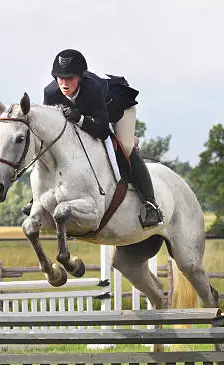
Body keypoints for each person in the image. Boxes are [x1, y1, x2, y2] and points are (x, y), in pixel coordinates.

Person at [22, 48, 163, 230]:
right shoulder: (51, 92)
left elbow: (103, 131)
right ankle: (38, 197)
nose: (64, 83)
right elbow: (51, 133)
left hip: (117, 109)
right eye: (60, 78)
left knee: (125, 148)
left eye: (70, 78)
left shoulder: (92, 89)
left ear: (80, 77)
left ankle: (151, 205)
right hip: (91, 113)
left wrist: (80, 118)